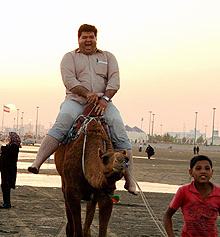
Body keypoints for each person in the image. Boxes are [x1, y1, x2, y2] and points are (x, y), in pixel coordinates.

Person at [27, 24, 137, 195]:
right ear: (78, 39)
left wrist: (105, 99)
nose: (88, 40)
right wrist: (87, 94)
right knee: (63, 121)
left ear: (95, 39)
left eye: (91, 37)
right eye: (84, 37)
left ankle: (130, 180)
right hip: (76, 100)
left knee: (118, 128)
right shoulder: (69, 58)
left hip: (103, 102)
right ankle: (37, 162)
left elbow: (114, 81)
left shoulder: (108, 57)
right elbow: (69, 80)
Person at [0, 132, 21, 209]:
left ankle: (7, 203)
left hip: (9, 169)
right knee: (4, 186)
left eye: (9, 137)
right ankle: (6, 202)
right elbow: (1, 151)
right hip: (5, 169)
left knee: (6, 186)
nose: (8, 138)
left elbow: (3, 149)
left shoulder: (14, 146)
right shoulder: (10, 146)